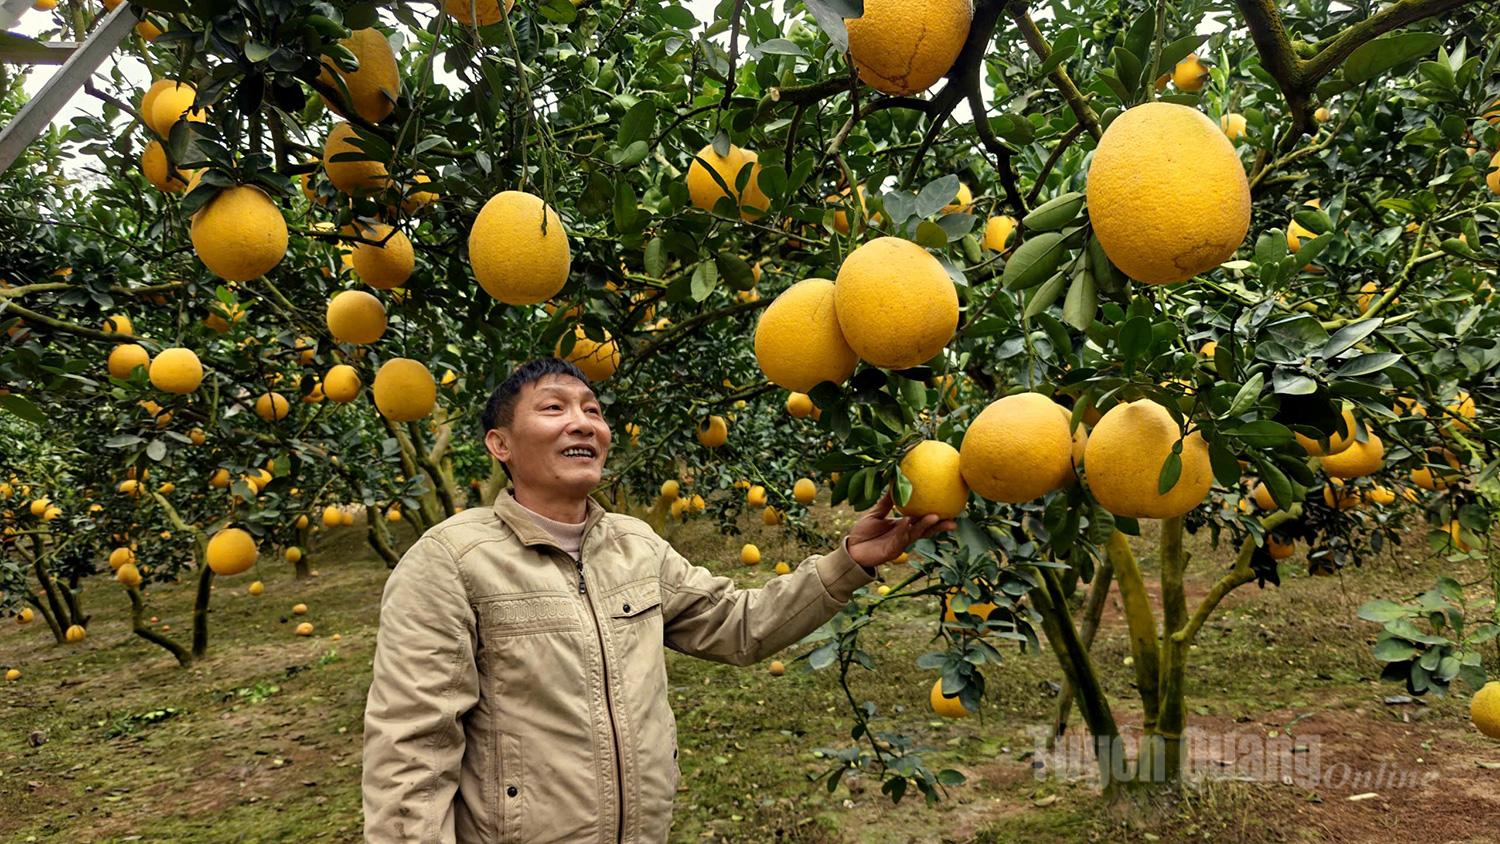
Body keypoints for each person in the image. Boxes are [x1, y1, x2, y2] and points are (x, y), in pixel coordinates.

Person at [362, 358, 955, 843]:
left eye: (592, 411)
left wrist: (848, 562)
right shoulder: (451, 561)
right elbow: (411, 752)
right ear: (500, 444)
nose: (582, 423)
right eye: (553, 408)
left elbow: (738, 625)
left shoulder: (634, 546)